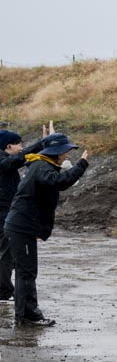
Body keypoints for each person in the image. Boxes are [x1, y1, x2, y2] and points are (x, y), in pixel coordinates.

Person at [3, 132, 90, 327]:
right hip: (20, 227)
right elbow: (60, 182)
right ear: (57, 152)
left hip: (22, 226)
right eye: (66, 151)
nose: (67, 155)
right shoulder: (42, 166)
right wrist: (81, 165)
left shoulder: (40, 165)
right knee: (26, 273)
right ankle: (28, 316)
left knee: (25, 272)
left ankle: (25, 315)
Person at [1, 127, 53, 303]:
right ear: (8, 146)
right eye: (19, 144)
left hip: (7, 214)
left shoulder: (6, 161)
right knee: (5, 254)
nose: (22, 147)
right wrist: (43, 143)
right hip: (4, 215)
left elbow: (23, 160)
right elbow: (20, 159)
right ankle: (3, 292)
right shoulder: (3, 163)